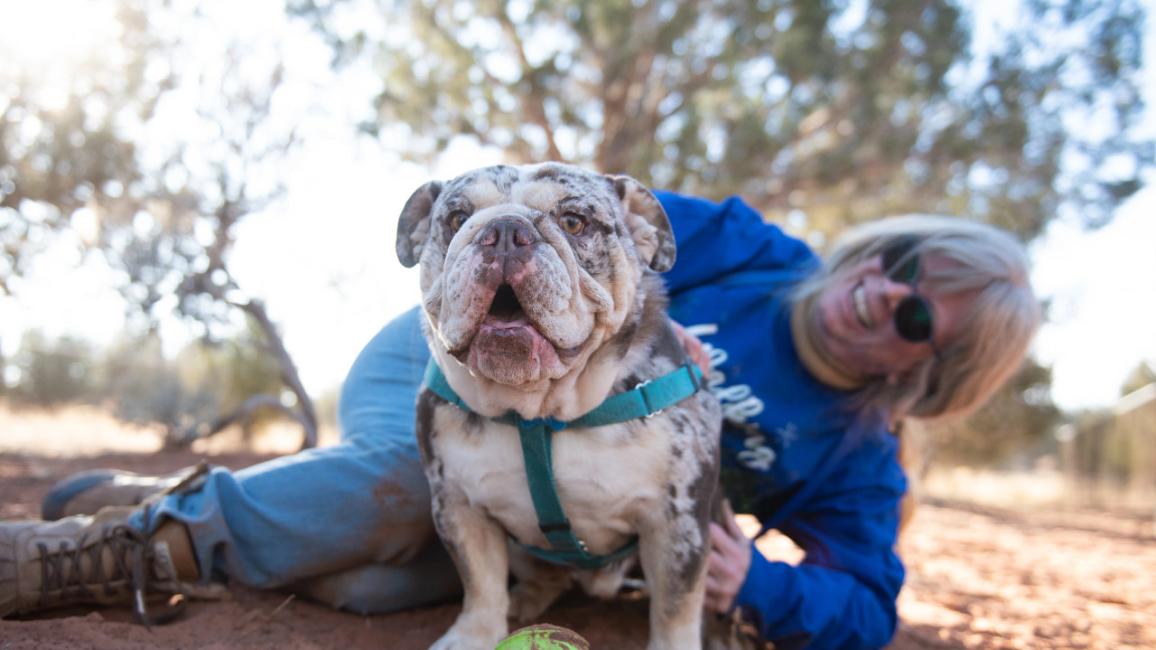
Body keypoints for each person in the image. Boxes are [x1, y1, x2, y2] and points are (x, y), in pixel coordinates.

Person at [0, 191, 1039, 648]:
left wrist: (756, 579)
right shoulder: (744, 247)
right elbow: (554, 219)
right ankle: (118, 550)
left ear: (930, 367)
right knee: (404, 485)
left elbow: (868, 606)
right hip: (454, 355)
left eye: (913, 308)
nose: (877, 287)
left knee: (374, 584)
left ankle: (206, 502)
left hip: (549, 508)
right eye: (897, 257)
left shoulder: (857, 454)